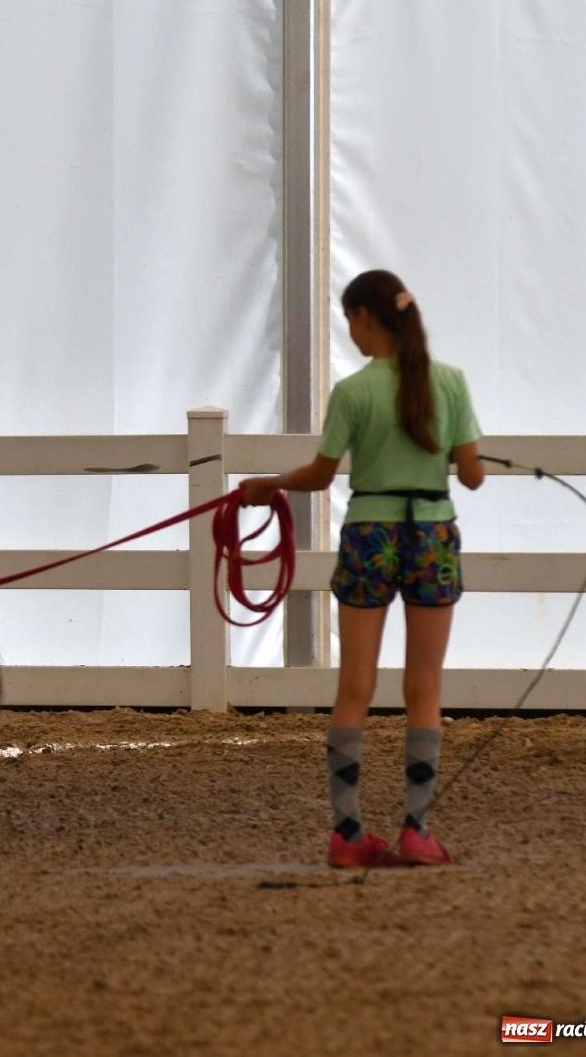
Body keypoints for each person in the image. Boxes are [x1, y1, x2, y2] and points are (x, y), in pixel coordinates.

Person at [239, 269, 484, 868]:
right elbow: (474, 475)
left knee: (355, 685)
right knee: (423, 688)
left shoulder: (353, 392)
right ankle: (418, 830)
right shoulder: (449, 383)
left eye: (350, 319)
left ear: (367, 317)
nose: (350, 331)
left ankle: (348, 834)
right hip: (430, 533)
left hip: (370, 532)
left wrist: (265, 485)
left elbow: (320, 476)